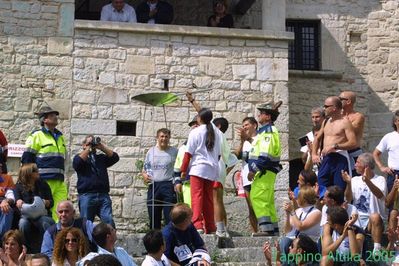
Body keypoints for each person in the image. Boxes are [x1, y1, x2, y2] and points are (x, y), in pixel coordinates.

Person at [21, 106, 67, 222]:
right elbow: (27, 159)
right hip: (44, 180)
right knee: (46, 210)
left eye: (55, 115)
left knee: (61, 210)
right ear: (44, 120)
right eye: (52, 116)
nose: (56, 118)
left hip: (60, 180)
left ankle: (58, 234)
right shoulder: (36, 135)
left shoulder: (60, 136)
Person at [180, 108, 222, 234]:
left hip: (198, 168)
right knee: (208, 199)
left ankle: (198, 224)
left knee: (196, 197)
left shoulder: (195, 132)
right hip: (212, 169)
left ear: (199, 118)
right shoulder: (216, 133)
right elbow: (219, 155)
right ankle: (210, 226)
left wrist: (183, 170)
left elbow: (188, 153)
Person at [246, 102, 282, 236]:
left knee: (258, 197)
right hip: (265, 172)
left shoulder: (268, 132)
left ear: (268, 117)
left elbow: (265, 156)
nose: (258, 116)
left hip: (263, 172)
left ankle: (266, 229)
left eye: (261, 114)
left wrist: (253, 170)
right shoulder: (265, 131)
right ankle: (273, 230)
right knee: (268, 201)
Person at [342, 153, 387, 252]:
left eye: (357, 162)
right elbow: (348, 199)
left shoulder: (380, 179)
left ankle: (376, 250)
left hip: (373, 222)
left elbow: (380, 195)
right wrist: (349, 183)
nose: (355, 165)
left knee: (374, 216)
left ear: (366, 166)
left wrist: (367, 181)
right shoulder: (355, 180)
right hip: (356, 220)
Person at [73, 135, 120, 227]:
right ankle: (85, 241)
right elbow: (77, 164)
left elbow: (115, 158)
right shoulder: (80, 158)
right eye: (89, 143)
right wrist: (88, 148)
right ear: (83, 145)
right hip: (87, 195)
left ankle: (110, 240)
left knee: (109, 221)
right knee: (86, 223)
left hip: (103, 195)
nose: (92, 145)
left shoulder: (101, 158)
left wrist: (101, 147)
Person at [312, 96, 357, 190]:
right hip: (326, 158)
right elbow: (317, 138)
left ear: (334, 107)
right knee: (321, 188)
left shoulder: (345, 123)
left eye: (326, 106)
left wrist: (335, 146)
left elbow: (353, 143)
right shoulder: (326, 121)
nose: (324, 108)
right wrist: (314, 154)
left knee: (339, 189)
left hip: (340, 158)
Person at [14, 163, 55, 253]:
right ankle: (26, 249)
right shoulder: (18, 187)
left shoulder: (43, 184)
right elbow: (16, 202)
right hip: (26, 216)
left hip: (42, 215)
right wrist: (18, 201)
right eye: (35, 171)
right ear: (28, 173)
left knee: (43, 221)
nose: (38, 172)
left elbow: (51, 202)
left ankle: (47, 248)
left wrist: (46, 202)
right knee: (22, 223)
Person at [143, 128, 178, 230]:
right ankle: (155, 242)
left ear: (169, 138)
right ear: (157, 138)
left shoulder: (175, 151)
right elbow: (145, 169)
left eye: (166, 136)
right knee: (154, 217)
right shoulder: (151, 151)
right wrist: (144, 175)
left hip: (168, 185)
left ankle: (170, 241)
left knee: (170, 217)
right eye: (162, 136)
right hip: (154, 186)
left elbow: (180, 167)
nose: (164, 139)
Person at [211, 117, 238, 238]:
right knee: (219, 201)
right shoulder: (222, 138)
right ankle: (223, 228)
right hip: (220, 170)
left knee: (215, 200)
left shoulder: (217, 133)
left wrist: (192, 101)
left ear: (218, 126)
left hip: (215, 170)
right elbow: (233, 160)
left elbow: (203, 115)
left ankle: (220, 229)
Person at [280, 186, 321, 255]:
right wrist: (287, 214)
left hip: (308, 242)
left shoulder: (316, 213)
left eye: (298, 197)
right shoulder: (298, 211)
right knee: (285, 241)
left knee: (286, 242)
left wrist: (292, 212)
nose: (296, 199)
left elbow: (300, 227)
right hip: (295, 240)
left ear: (304, 200)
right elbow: (287, 231)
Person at [234, 117, 258, 233]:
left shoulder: (259, 138)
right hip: (246, 178)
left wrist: (247, 138)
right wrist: (242, 141)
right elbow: (238, 155)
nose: (244, 127)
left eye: (247, 125)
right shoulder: (244, 141)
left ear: (255, 125)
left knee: (258, 205)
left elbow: (259, 150)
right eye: (243, 126)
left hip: (257, 177)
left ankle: (264, 229)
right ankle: (254, 231)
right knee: (250, 207)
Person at [373, 110, 399, 209]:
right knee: (392, 205)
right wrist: (382, 167)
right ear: (395, 122)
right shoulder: (389, 137)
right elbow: (376, 153)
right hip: (395, 174)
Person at [173, 116, 199, 207]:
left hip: (203, 185)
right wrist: (177, 182)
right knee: (190, 213)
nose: (195, 126)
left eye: (197, 124)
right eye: (193, 125)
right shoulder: (183, 148)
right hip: (187, 185)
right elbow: (177, 169)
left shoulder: (207, 146)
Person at [339, 91, 365, 175]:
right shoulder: (338, 116)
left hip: (353, 153)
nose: (338, 101)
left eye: (340, 99)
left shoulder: (358, 116)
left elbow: (349, 132)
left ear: (348, 101)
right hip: (341, 152)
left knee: (355, 179)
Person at [0, 172, 15, 240]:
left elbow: (11, 195)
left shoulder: (7, 178)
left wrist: (5, 201)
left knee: (7, 209)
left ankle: (3, 240)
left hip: (3, 202)